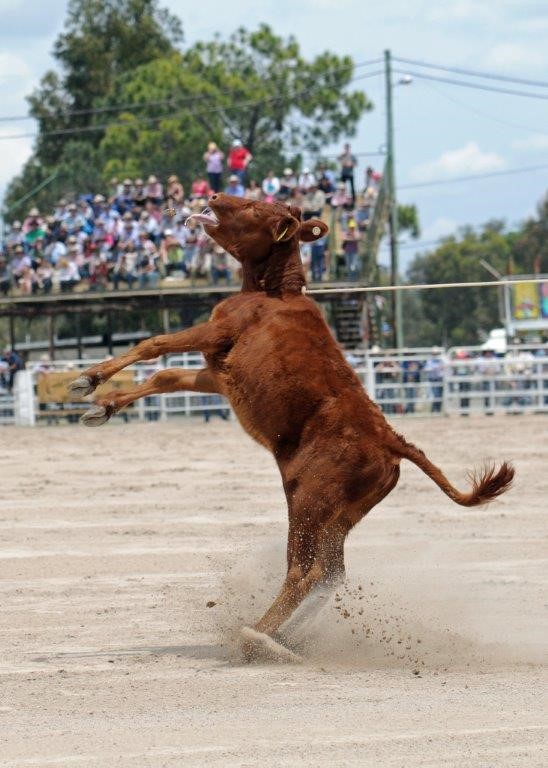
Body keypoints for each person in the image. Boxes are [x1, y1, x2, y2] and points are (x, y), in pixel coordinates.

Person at [423, 348, 444, 413]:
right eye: (434, 353)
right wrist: (434, 368)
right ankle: (434, 410)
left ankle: (438, 410)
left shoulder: (441, 360)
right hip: (432, 379)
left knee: (440, 395)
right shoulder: (430, 360)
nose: (436, 355)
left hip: (440, 378)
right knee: (436, 395)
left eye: (437, 353)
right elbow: (426, 368)